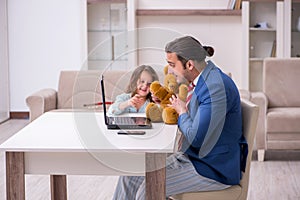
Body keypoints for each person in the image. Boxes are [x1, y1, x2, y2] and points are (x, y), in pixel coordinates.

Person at [112, 36, 247, 199]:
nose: (168, 72)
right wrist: (171, 104)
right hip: (193, 158)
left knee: (149, 190)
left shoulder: (214, 87)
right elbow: (197, 115)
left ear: (189, 64)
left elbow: (196, 137)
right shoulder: (202, 79)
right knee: (130, 176)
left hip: (213, 168)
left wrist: (182, 111)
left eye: (172, 65)